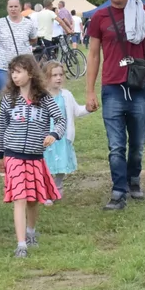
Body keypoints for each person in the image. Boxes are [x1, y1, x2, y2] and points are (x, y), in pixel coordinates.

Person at [85, 0, 145, 211]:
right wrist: (90, 91)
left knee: (138, 143)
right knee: (116, 145)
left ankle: (134, 178)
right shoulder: (99, 17)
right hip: (112, 87)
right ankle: (118, 191)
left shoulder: (143, 12)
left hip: (138, 86)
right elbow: (94, 55)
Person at [0, 54, 66, 258]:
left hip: (35, 157)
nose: (14, 76)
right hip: (13, 155)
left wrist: (53, 134)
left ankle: (31, 232)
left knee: (33, 199)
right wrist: (0, 155)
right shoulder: (8, 99)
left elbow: (60, 120)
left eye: (19, 72)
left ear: (31, 73)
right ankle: (21, 244)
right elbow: (2, 128)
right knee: (20, 197)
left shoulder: (44, 99)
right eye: (12, 73)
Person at [41, 60, 92, 201]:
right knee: (46, 164)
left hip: (62, 138)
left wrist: (88, 108)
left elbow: (77, 111)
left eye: (60, 74)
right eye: (54, 75)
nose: (58, 78)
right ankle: (46, 189)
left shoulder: (66, 95)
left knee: (62, 164)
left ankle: (58, 185)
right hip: (45, 138)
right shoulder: (40, 97)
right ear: (46, 77)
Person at [0, 0, 37, 93]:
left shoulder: (28, 23)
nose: (13, 9)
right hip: (2, 67)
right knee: (6, 96)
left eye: (16, 6)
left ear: (20, 7)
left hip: (24, 66)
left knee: (25, 95)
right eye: (11, 6)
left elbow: (33, 39)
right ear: (7, 8)